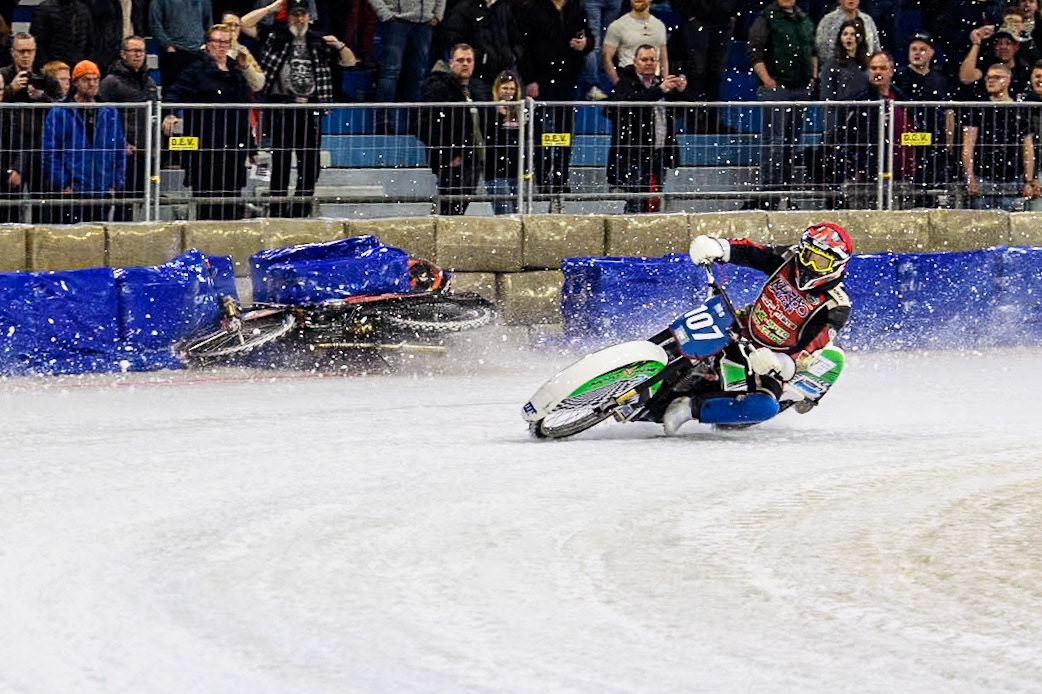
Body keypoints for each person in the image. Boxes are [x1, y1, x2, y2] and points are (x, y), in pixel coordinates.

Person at [661, 222, 853, 434]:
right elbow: (753, 253)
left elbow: (812, 347)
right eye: (808, 255)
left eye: (821, 262)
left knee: (763, 406)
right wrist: (719, 247)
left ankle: (688, 409)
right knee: (697, 329)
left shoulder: (836, 305)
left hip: (768, 360)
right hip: (741, 327)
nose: (809, 265)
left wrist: (780, 362)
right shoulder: (790, 258)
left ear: (836, 266)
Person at [254, 0, 357, 217]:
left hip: (310, 109)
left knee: (310, 164)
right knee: (281, 162)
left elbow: (349, 62)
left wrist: (340, 45)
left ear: (309, 17)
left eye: (303, 15)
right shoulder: (276, 37)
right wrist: (271, 8)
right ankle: (277, 210)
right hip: (283, 107)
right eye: (295, 15)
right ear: (288, 17)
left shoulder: (319, 41)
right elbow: (245, 24)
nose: (300, 19)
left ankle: (301, 210)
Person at [163, 24, 253, 220]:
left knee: (232, 203)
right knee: (206, 204)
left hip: (233, 147)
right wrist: (170, 113)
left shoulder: (236, 70)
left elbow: (244, 109)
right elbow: (175, 92)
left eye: (225, 42)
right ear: (208, 44)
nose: (221, 46)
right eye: (217, 42)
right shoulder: (195, 70)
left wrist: (251, 147)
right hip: (206, 148)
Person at [517, 0, 593, 212]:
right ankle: (543, 178)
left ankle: (560, 178)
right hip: (541, 81)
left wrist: (585, 44)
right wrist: (530, 79)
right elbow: (523, 47)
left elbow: (589, 38)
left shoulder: (576, 8)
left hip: (567, 81)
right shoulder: (531, 9)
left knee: (564, 133)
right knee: (540, 132)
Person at [747, 0, 816, 209]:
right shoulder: (766, 18)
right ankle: (769, 190)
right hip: (777, 87)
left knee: (792, 140)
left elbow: (812, 51)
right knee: (774, 140)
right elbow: (755, 52)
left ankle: (786, 188)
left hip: (800, 88)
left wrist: (812, 78)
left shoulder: (804, 19)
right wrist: (767, 80)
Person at [40, 60, 127, 224]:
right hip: (73, 190)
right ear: (75, 82)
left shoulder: (110, 113)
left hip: (102, 189)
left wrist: (116, 183)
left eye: (95, 79)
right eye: (86, 79)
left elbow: (119, 150)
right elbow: (50, 152)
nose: (92, 84)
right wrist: (63, 183)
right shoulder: (60, 112)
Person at [605, 44, 686, 213]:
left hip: (659, 151)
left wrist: (680, 92)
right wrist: (659, 90)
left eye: (652, 59)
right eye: (644, 59)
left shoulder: (661, 84)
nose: (649, 63)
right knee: (636, 199)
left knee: (654, 198)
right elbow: (631, 105)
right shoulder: (625, 84)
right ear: (635, 62)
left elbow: (678, 113)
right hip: (634, 153)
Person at [419, 43, 491, 215]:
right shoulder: (438, 88)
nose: (465, 64)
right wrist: (449, 154)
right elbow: (424, 124)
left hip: (472, 160)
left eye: (469, 60)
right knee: (450, 210)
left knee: (459, 210)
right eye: (460, 60)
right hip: (452, 160)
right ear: (451, 63)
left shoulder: (477, 90)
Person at [839, 51, 915, 208]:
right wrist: (857, 166)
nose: (877, 72)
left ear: (891, 71)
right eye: (873, 68)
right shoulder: (861, 102)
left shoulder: (902, 98)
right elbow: (847, 137)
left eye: (882, 68)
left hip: (900, 172)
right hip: (870, 173)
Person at [962, 62, 1038, 210]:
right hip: (983, 176)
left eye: (996, 77)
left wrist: (1028, 180)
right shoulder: (979, 107)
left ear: (1008, 80)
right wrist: (970, 177)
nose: (991, 81)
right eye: (988, 78)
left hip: (1012, 177)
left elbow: (1028, 148)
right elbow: (968, 145)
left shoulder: (1020, 109)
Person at [99, 36, 159, 221]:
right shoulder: (111, 82)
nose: (138, 55)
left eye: (141, 51)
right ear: (123, 54)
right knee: (122, 201)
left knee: (137, 199)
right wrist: (120, 143)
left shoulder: (149, 82)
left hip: (144, 150)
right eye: (134, 51)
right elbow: (103, 117)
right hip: (123, 152)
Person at [894, 31, 957, 207]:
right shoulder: (899, 77)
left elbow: (948, 112)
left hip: (935, 143)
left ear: (931, 52)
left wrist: (949, 143)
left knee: (934, 188)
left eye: (922, 49)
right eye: (913, 49)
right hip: (909, 142)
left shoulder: (940, 79)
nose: (917, 53)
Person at [0, 34, 53, 221]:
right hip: (11, 150)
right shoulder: (3, 75)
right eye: (21, 51)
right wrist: (11, 89)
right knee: (9, 207)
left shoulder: (44, 77)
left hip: (38, 146)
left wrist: (42, 97)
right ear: (12, 53)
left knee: (42, 203)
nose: (26, 56)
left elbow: (58, 106)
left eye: (30, 51)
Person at [816, 18, 869, 188]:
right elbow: (827, 98)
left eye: (853, 34)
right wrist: (832, 128)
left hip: (862, 124)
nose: (849, 37)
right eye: (845, 34)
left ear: (860, 38)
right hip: (840, 123)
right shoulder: (832, 65)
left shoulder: (866, 65)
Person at [671, 0, 736, 133]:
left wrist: (733, 13)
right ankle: (695, 121)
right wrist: (688, 15)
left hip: (724, 21)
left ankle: (714, 121)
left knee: (716, 74)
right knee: (697, 72)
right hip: (697, 19)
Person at [367, 0, 444, 107]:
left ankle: (414, 116)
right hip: (396, 22)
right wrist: (384, 13)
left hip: (425, 23)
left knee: (418, 73)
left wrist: (437, 15)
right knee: (390, 72)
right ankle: (384, 116)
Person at [437, 0, 522, 85]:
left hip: (504, 74)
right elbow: (453, 39)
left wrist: (513, 56)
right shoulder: (464, 9)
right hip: (478, 76)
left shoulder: (502, 7)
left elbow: (515, 36)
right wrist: (479, 57)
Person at [150, 0, 214, 92]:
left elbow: (208, 24)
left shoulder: (204, 1)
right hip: (173, 54)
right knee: (172, 93)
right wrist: (168, 46)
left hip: (198, 53)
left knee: (198, 93)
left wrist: (206, 45)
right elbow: (155, 24)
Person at [602, 0, 669, 87]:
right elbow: (606, 58)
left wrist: (665, 83)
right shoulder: (617, 25)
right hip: (629, 81)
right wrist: (619, 85)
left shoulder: (659, 26)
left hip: (655, 83)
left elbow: (663, 58)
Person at [483, 69, 522, 215]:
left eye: (512, 89)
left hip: (516, 171)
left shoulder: (519, 110)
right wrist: (498, 115)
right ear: (497, 89)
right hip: (496, 171)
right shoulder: (489, 110)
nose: (508, 92)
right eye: (505, 88)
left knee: (518, 214)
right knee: (504, 215)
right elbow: (489, 137)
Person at [959, 26, 1030, 99]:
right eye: (999, 43)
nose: (1003, 47)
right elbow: (966, 78)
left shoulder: (1024, 69)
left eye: (1008, 43)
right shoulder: (986, 67)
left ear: (1016, 46)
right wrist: (976, 43)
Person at [814, 0, 880, 66]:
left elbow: (876, 48)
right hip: (837, 68)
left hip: (866, 67)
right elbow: (824, 52)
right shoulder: (827, 22)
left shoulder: (868, 20)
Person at [29, 0, 92, 68]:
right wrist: (47, 65)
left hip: (78, 66)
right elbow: (37, 42)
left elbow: (90, 41)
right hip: (52, 66)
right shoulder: (44, 9)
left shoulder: (83, 9)